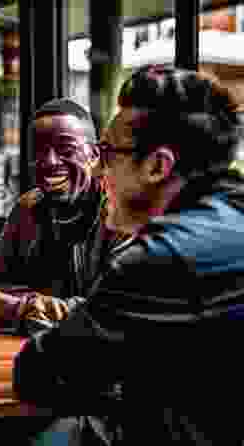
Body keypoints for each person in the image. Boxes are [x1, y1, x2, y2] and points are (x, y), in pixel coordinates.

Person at [13, 66, 244, 444]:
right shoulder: (232, 216)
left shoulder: (164, 257)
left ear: (158, 166)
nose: (98, 169)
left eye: (107, 153)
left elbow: (38, 371)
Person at [0, 98, 129, 331]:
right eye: (39, 150)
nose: (49, 161)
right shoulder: (27, 208)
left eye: (66, 149)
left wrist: (11, 308)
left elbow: (110, 313)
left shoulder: (122, 216)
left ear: (95, 155)